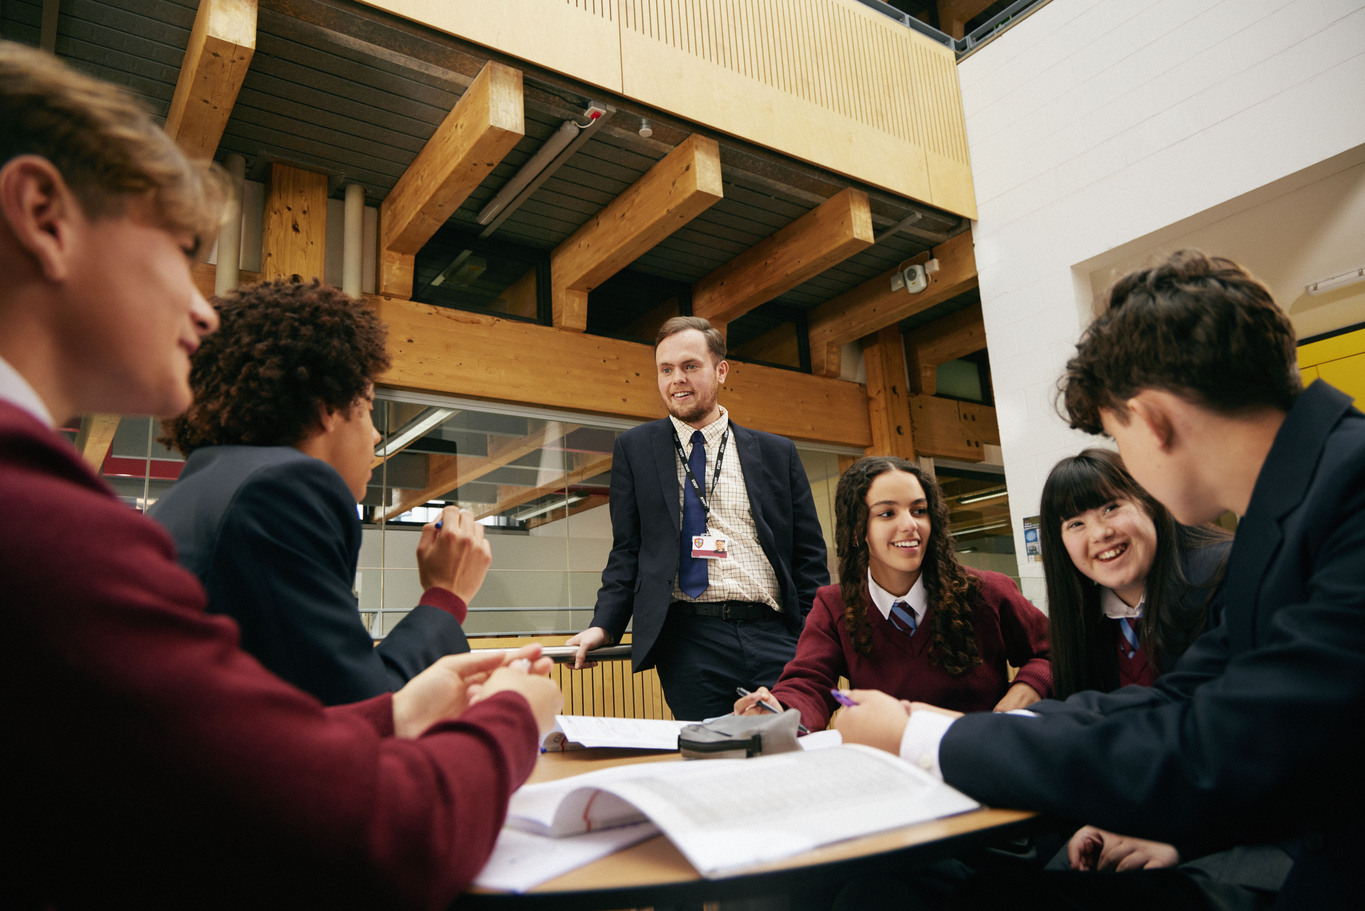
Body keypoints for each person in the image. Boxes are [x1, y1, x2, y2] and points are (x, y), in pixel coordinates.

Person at [0, 41, 561, 909]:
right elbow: (376, 831)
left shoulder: (143, 492)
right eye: (181, 250)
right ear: (42, 212)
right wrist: (514, 712)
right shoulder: (46, 506)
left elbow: (195, 753)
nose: (200, 307)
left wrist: (399, 713)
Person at [834, 250, 1364, 908]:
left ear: (1149, 419)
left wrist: (918, 738)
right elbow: (1181, 698)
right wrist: (948, 730)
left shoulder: (1349, 495)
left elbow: (1226, 741)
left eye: (1116, 436)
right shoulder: (1277, 519)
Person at [151, 279, 482, 705]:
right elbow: (362, 712)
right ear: (327, 408)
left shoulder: (188, 498)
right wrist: (446, 595)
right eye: (367, 408)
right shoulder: (283, 490)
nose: (377, 435)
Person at [566, 316, 829, 720]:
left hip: (775, 634)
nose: (677, 380)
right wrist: (604, 626)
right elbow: (628, 551)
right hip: (689, 640)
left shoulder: (777, 452)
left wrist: (814, 639)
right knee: (710, 764)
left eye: (690, 366)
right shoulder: (635, 449)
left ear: (720, 370)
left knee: (789, 755)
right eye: (666, 370)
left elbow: (809, 558)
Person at [734, 456, 1052, 733]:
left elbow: (1056, 651)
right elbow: (809, 683)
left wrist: (1028, 688)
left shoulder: (987, 592)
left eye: (919, 510)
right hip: (894, 767)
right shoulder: (834, 607)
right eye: (887, 513)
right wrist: (779, 710)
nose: (909, 525)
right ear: (859, 529)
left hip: (981, 758)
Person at [1042, 447, 1230, 699]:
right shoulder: (1081, 624)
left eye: (1111, 508)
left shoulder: (1224, 577)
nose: (1100, 533)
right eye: (1076, 524)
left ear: (1148, 503)